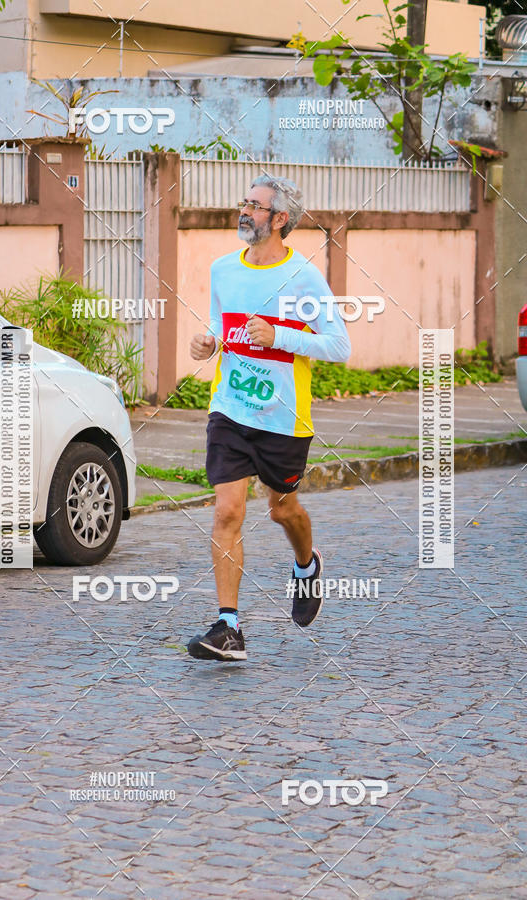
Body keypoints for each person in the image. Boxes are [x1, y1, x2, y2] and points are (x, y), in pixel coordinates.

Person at [187, 174, 351, 662]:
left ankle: (306, 565)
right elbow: (222, 330)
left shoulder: (302, 277)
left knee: (282, 509)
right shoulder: (223, 269)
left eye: (255, 206)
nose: (244, 211)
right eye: (244, 203)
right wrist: (207, 343)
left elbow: (339, 346)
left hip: (281, 417)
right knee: (227, 512)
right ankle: (228, 627)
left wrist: (280, 337)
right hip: (230, 409)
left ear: (280, 220)